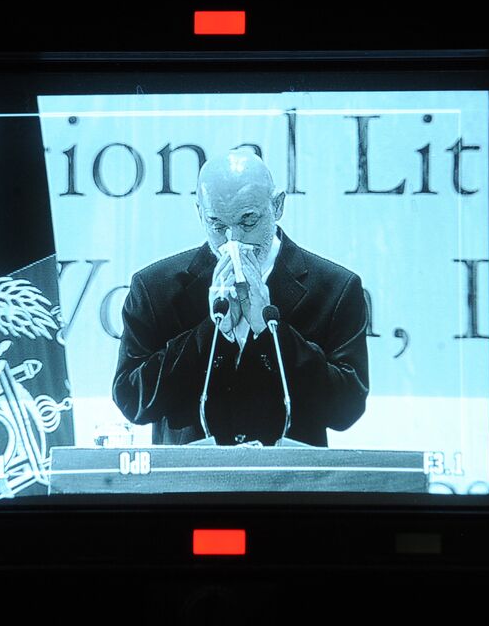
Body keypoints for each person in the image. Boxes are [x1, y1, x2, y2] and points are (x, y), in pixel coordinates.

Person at [113, 151, 369, 446]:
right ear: (200, 213)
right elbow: (132, 400)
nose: (233, 240)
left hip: (290, 488)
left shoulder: (336, 288)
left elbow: (347, 408)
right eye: (217, 225)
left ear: (277, 205)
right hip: (190, 487)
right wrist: (211, 333)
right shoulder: (154, 287)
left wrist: (270, 331)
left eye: (248, 221)